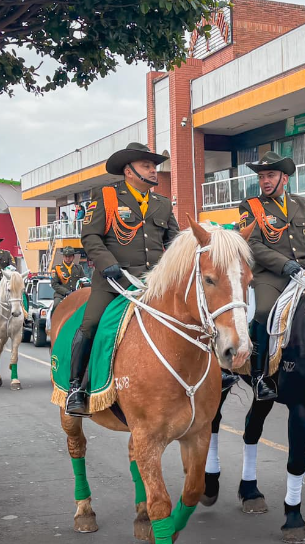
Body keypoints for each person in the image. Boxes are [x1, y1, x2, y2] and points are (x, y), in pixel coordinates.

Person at [65, 142, 179, 417]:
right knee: (91, 324)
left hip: (153, 282)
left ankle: (215, 373)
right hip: (114, 281)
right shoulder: (106, 196)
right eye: (146, 166)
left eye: (154, 166)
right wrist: (108, 265)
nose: (153, 171)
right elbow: (90, 236)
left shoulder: (162, 203)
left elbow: (175, 241)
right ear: (129, 171)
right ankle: (77, 388)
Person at [237, 151, 305, 401]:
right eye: (262, 176)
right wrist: (284, 264)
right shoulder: (250, 206)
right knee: (264, 311)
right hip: (272, 276)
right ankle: (259, 376)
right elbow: (253, 245)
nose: (265, 181)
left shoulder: (302, 204)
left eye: (271, 175)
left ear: (284, 179)